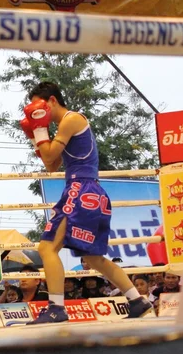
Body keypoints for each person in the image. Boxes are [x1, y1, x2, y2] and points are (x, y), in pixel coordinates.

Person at [20, 82, 153, 324]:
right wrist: (34, 135)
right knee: (93, 258)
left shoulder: (71, 120)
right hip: (89, 192)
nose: (36, 112)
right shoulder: (65, 126)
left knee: (47, 248)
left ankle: (56, 308)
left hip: (80, 190)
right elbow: (52, 165)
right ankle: (137, 300)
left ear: (51, 101)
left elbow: (49, 156)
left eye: (38, 106)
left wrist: (38, 132)